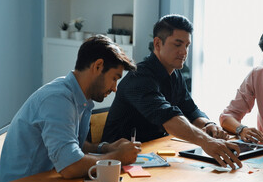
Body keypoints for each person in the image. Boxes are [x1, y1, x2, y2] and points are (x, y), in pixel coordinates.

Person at [101, 14, 242, 169]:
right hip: (119, 161)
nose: (184, 52)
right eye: (177, 44)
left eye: (187, 46)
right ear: (157, 44)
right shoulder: (139, 77)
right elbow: (168, 116)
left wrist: (209, 125)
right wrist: (207, 141)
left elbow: (191, 109)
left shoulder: (175, 74)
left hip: (156, 153)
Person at [0, 35, 140, 182]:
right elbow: (70, 166)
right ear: (97, 66)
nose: (115, 88)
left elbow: (71, 144)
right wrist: (118, 156)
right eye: (114, 78)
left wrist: (105, 148)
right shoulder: (57, 100)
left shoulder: (76, 96)